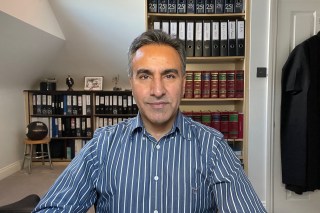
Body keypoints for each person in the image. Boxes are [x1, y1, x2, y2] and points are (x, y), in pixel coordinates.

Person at [33, 30, 267, 212]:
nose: (157, 90)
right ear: (132, 84)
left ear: (184, 83)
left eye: (169, 75)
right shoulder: (102, 146)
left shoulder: (213, 146)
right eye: (145, 76)